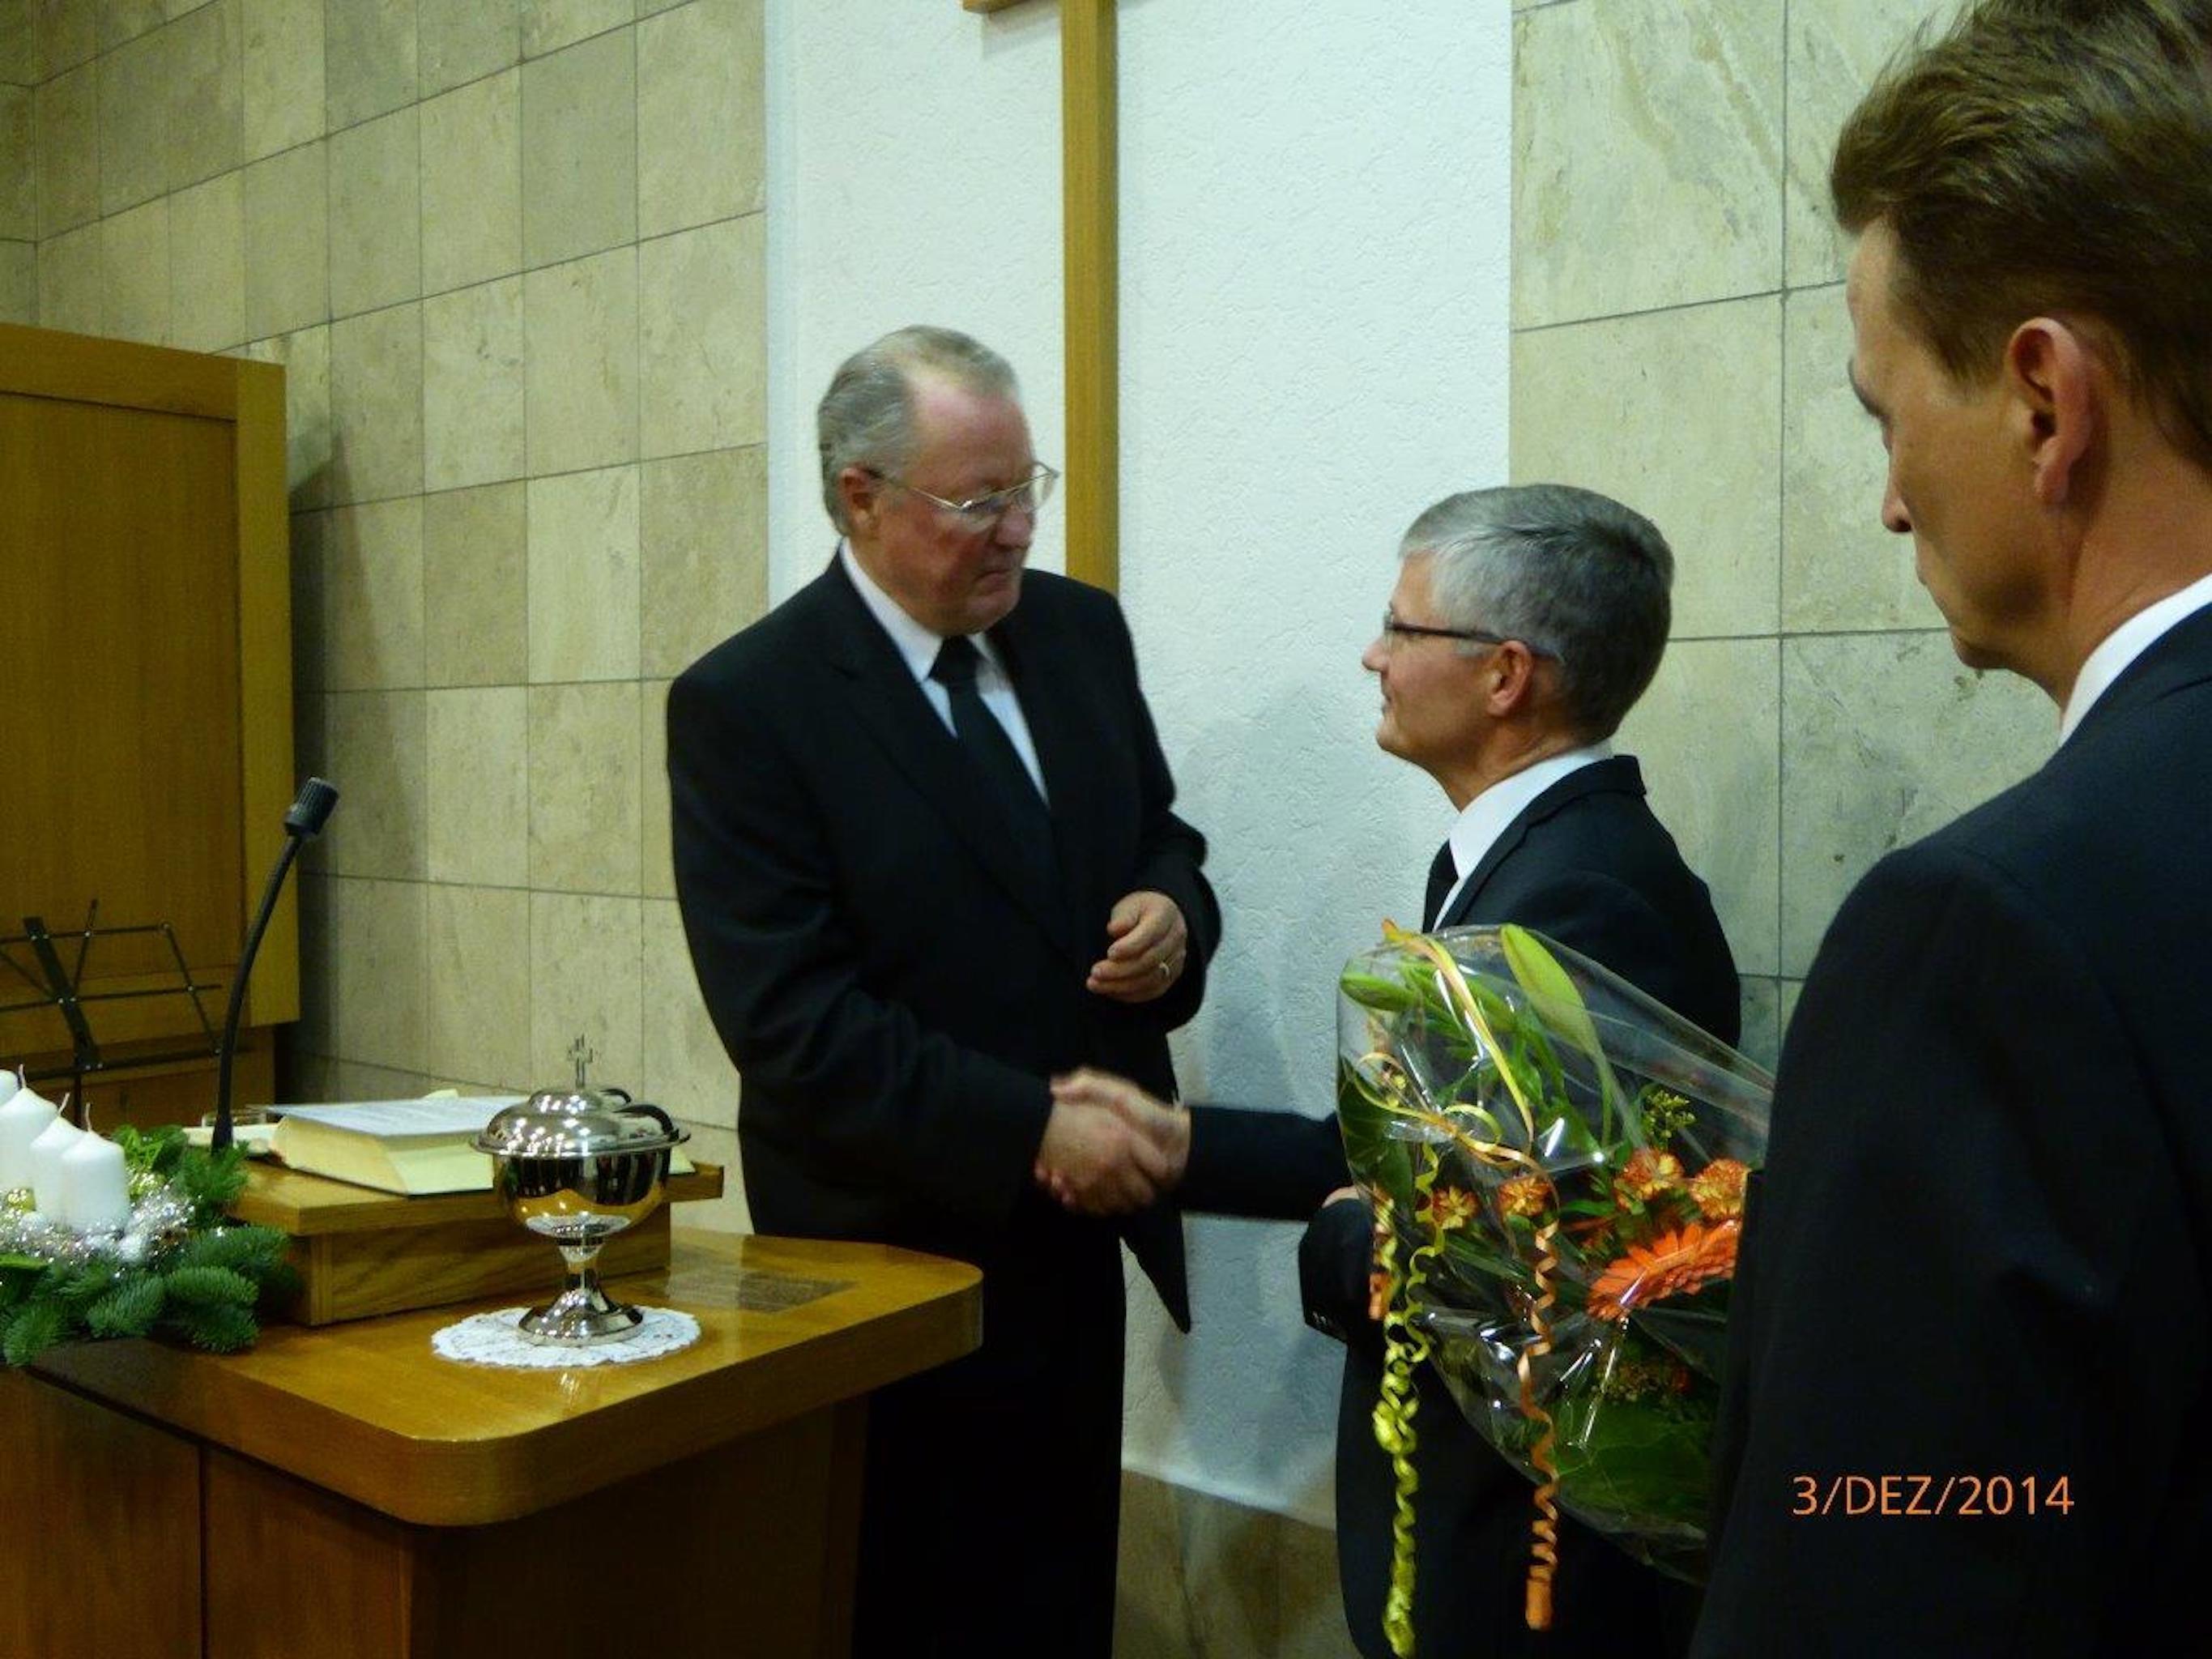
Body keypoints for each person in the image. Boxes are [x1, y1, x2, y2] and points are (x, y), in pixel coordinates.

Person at [1696, 3, 2212, 1653]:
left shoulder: (1995, 937)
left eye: (1883, 411)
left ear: (2044, 401)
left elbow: (1892, 1559)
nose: (1889, 498)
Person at [1057, 484, 1739, 1656]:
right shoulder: (1524, 860)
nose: (1374, 655)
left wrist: (1340, 1236)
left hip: (1526, 1545)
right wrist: (1180, 1148)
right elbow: (1410, 1155)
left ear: (1505, 676)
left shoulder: (1581, 898)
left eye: (1401, 627)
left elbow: (1514, 1251)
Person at [667, 325, 1218, 1659]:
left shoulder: (1079, 632)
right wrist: (1030, 1125)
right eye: (978, 502)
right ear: (861, 496)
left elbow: (1161, 837)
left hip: (1078, 1235)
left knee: (1057, 1596)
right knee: (914, 1604)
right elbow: (793, 1024)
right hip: (889, 1251)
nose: (1018, 529)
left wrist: (1173, 921)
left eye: (1028, 488)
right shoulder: (751, 703)